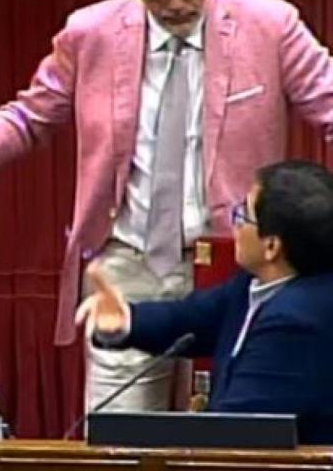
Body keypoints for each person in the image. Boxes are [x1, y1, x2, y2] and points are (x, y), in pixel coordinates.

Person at [0, 0, 333, 412]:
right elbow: (31, 115)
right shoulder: (90, 33)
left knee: (229, 435)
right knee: (117, 436)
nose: (178, 3)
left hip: (230, 264)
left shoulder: (270, 24)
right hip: (127, 263)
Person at [76, 160, 333, 444]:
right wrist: (126, 320)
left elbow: (238, 434)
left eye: (243, 216)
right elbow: (190, 319)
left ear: (271, 246)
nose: (235, 226)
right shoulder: (251, 284)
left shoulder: (298, 320)